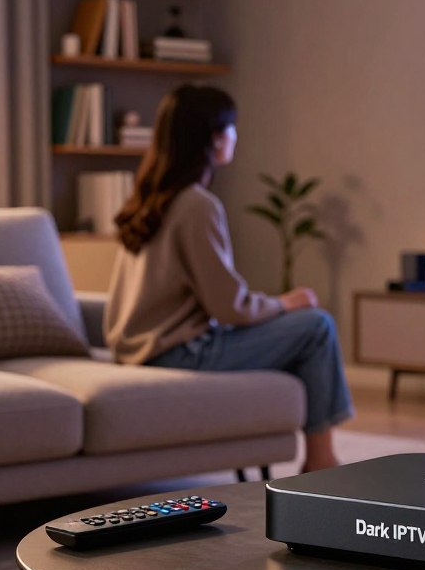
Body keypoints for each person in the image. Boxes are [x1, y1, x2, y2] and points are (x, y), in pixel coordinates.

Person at [104, 85, 352, 472]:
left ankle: (318, 460)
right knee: (315, 327)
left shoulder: (146, 199)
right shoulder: (197, 205)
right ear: (214, 138)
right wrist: (284, 303)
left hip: (138, 350)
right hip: (183, 353)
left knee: (301, 331)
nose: (236, 136)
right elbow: (229, 306)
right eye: (232, 128)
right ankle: (321, 463)